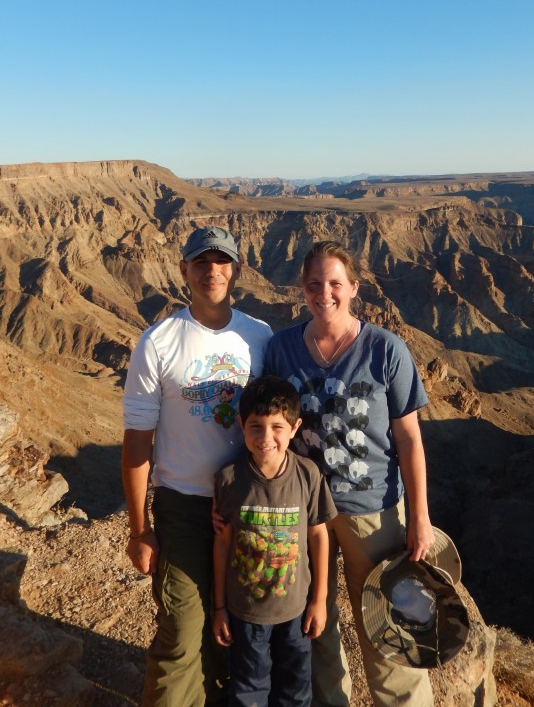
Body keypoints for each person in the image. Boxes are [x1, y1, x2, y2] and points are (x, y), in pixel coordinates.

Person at [264, 240, 436, 707]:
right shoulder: (281, 350)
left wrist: (418, 517)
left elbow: (409, 440)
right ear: (303, 288)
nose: (326, 293)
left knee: (389, 627)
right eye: (315, 284)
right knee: (314, 624)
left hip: (373, 513)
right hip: (304, 514)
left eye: (336, 283)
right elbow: (266, 429)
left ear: (354, 288)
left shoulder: (385, 349)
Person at [122, 226, 273, 707]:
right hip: (184, 509)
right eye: (201, 262)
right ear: (183, 269)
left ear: (237, 271)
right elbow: (137, 440)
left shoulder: (260, 338)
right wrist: (139, 528)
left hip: (248, 508)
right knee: (182, 634)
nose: (212, 271)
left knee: (240, 635)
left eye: (222, 262)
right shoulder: (158, 341)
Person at [212, 375, 337, 707]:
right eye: (256, 426)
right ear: (241, 425)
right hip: (247, 613)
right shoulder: (229, 479)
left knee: (295, 688)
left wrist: (319, 600)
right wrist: (220, 607)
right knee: (249, 688)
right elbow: (223, 544)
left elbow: (318, 535)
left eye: (277, 427)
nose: (266, 437)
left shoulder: (308, 475)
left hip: (295, 612)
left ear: (294, 428)